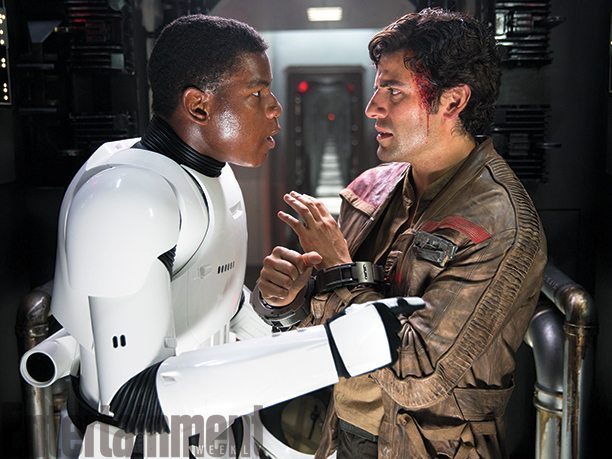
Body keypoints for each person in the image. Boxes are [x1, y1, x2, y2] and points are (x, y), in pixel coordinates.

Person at [19, 14, 407, 459]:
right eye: (257, 93)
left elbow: (213, 310)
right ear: (199, 107)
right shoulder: (127, 198)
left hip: (218, 432)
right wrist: (339, 351)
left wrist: (271, 308)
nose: (275, 108)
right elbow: (135, 398)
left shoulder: (213, 173)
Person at [254, 8, 547, 459]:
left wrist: (338, 268)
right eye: (377, 90)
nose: (373, 107)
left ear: (453, 102)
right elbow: (330, 317)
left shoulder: (499, 224)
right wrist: (289, 300)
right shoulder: (374, 188)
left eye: (393, 91)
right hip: (346, 432)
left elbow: (418, 375)